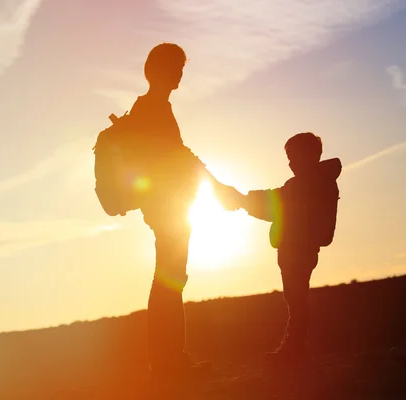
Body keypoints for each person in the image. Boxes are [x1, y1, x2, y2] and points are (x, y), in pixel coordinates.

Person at [126, 43, 241, 383]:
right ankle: (168, 364)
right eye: (175, 69)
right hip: (168, 208)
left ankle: (169, 361)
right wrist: (217, 187)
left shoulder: (155, 107)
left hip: (169, 206)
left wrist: (213, 186)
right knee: (169, 282)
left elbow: (179, 156)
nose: (179, 76)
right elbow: (177, 158)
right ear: (158, 70)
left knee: (170, 281)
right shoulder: (152, 109)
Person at [240, 132, 342, 365]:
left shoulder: (310, 183)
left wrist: (243, 200)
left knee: (296, 298)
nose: (290, 162)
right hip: (295, 247)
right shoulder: (313, 181)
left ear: (310, 155)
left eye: (293, 156)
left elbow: (277, 203)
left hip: (299, 248)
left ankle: (294, 348)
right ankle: (295, 347)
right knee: (294, 297)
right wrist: (246, 201)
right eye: (288, 157)